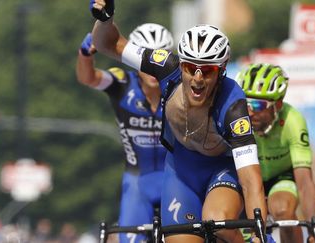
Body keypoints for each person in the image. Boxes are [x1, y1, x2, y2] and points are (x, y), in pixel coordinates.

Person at [88, 1, 268, 243]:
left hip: (221, 169)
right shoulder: (165, 66)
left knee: (217, 222)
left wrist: (259, 234)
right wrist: (105, 19)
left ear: (222, 70)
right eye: (190, 67)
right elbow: (108, 44)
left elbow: (251, 179)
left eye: (208, 70)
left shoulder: (233, 107)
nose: (197, 78)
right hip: (181, 171)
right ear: (181, 63)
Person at [76, 22, 173, 242]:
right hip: (137, 181)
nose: (152, 68)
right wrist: (84, 54)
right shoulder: (122, 82)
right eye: (145, 61)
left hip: (176, 180)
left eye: (158, 59)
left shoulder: (179, 89)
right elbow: (88, 78)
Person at [236, 63, 315, 243]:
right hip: (246, 180)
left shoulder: (293, 120)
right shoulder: (237, 118)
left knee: (283, 211)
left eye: (258, 104)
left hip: (280, 178)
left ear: (277, 104)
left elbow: (305, 183)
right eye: (245, 102)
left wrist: (314, 232)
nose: (250, 111)